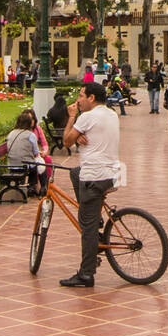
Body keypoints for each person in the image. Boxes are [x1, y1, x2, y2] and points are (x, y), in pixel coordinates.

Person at [60, 82, 120, 288]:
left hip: (94, 176)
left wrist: (71, 117)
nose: (78, 100)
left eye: (81, 96)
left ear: (92, 98)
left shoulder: (86, 117)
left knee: (87, 228)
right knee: (75, 172)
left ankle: (86, 274)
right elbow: (94, 138)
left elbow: (66, 141)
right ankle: (96, 221)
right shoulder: (112, 114)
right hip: (112, 174)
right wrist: (81, 138)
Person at [6, 111, 47, 195]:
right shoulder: (30, 135)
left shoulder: (11, 133)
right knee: (40, 162)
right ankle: (41, 187)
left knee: (34, 163)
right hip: (25, 165)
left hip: (11, 164)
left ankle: (32, 187)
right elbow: (36, 152)